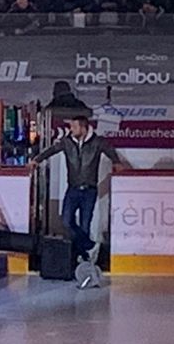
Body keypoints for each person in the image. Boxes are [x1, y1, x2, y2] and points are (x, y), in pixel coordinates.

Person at [29, 108, 121, 275]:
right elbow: (51, 150)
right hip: (72, 189)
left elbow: (111, 152)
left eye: (74, 127)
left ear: (83, 127)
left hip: (89, 190)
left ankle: (83, 258)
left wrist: (117, 163)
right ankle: (90, 246)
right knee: (66, 221)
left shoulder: (98, 142)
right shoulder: (67, 142)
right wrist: (37, 160)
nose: (71, 130)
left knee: (85, 225)